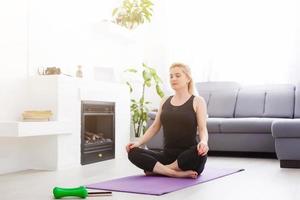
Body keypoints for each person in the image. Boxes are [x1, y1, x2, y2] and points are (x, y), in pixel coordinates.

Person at [126, 63, 209, 179]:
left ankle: (160, 170)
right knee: (133, 152)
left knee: (199, 152)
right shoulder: (165, 100)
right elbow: (155, 127)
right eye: (171, 76)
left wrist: (204, 142)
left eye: (177, 75)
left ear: (188, 78)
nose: (173, 79)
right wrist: (138, 143)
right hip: (166, 156)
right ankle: (173, 172)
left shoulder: (198, 101)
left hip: (188, 157)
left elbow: (202, 128)